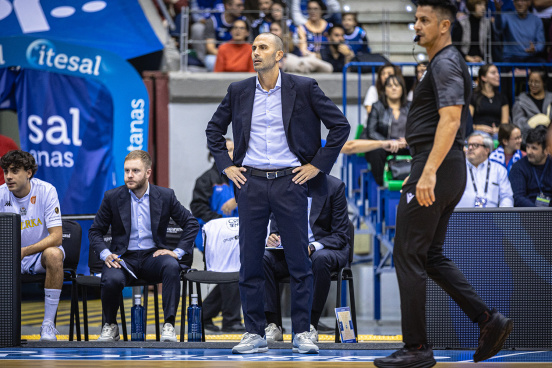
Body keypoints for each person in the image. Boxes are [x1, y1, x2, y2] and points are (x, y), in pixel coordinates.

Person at [374, 1, 513, 367]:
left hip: (436, 164)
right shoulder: (440, 64)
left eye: (424, 20)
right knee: (429, 256)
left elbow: (451, 120)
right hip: (442, 164)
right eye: (416, 19)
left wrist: (428, 171)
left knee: (407, 254)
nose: (416, 25)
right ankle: (487, 319)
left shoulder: (447, 61)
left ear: (445, 25)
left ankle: (417, 349)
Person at [205, 32, 350, 354]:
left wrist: (317, 166)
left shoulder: (304, 87)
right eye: (254, 48)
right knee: (251, 261)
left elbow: (340, 126)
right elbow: (214, 130)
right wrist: (227, 166)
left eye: (263, 48)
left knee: (299, 261)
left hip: (291, 181)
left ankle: (302, 332)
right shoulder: (238, 90)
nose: (255, 53)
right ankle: (255, 332)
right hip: (250, 182)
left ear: (280, 55)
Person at [89, 150, 199, 342]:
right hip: (124, 258)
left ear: (148, 173)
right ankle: (110, 325)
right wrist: (106, 254)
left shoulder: (165, 196)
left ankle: (169, 325)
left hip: (153, 256)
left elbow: (191, 223)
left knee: (171, 266)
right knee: (111, 277)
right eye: (126, 171)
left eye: (135, 171)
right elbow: (95, 231)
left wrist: (177, 252)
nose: (129, 175)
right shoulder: (112, 197)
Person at [263, 174, 349, 343]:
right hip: (291, 251)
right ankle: (273, 324)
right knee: (264, 258)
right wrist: (273, 237)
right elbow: (276, 226)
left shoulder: (335, 187)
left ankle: (310, 325)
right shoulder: (283, 186)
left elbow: (340, 235)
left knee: (319, 259)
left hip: (325, 248)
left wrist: (311, 247)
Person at [0, 150, 63, 341]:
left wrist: (25, 251)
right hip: (9, 257)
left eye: (15, 171)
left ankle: (48, 325)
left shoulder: (46, 190)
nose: (9, 176)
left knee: (54, 254)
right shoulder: (1, 194)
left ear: (28, 173)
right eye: (5, 171)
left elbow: (57, 237)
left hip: (37, 256)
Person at [190, 139, 244, 333]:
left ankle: (203, 315)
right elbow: (197, 208)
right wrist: (221, 220)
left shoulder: (241, 177)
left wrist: (237, 202)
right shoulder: (206, 179)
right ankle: (231, 320)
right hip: (214, 238)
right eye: (227, 150)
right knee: (232, 273)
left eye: (233, 150)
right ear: (216, 153)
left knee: (234, 276)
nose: (231, 154)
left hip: (239, 237)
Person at [364, 75, 411, 186]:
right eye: (389, 86)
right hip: (385, 146)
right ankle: (382, 185)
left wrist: (408, 140)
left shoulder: (411, 106)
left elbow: (418, 129)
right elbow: (371, 131)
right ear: (385, 90)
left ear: (402, 89)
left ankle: (415, 182)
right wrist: (388, 142)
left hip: (406, 145)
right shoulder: (377, 106)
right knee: (376, 151)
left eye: (397, 85)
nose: (393, 88)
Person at [456, 132, 513, 208]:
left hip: (491, 217)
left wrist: (503, 218)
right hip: (461, 217)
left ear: (487, 150)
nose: (470, 148)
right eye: (468, 145)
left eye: (475, 145)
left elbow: (506, 197)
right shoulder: (458, 168)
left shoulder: (499, 170)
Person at [509, 126, 552, 207]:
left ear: (546, 150)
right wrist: (538, 213)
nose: (528, 151)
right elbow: (518, 198)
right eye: (527, 146)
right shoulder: (518, 167)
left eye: (534, 148)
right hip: (527, 215)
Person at [204, 0, 247, 71]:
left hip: (240, 55)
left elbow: (248, 45)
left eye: (242, 5)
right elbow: (210, 48)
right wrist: (227, 56)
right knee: (210, 60)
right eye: (238, 5)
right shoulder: (214, 20)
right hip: (220, 54)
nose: (242, 8)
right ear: (227, 6)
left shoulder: (243, 21)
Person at [469, 64, 510, 136]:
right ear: (483, 77)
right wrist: (479, 127)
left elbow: (505, 124)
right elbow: (468, 123)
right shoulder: (473, 97)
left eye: (497, 72)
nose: (498, 75)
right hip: (478, 132)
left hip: (496, 133)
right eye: (493, 73)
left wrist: (497, 129)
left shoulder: (502, 98)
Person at [512, 68, 552, 140]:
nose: (533, 84)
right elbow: (517, 123)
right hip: (529, 140)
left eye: (537, 82)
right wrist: (533, 123)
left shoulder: (550, 99)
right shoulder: (520, 101)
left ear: (544, 82)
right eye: (530, 81)